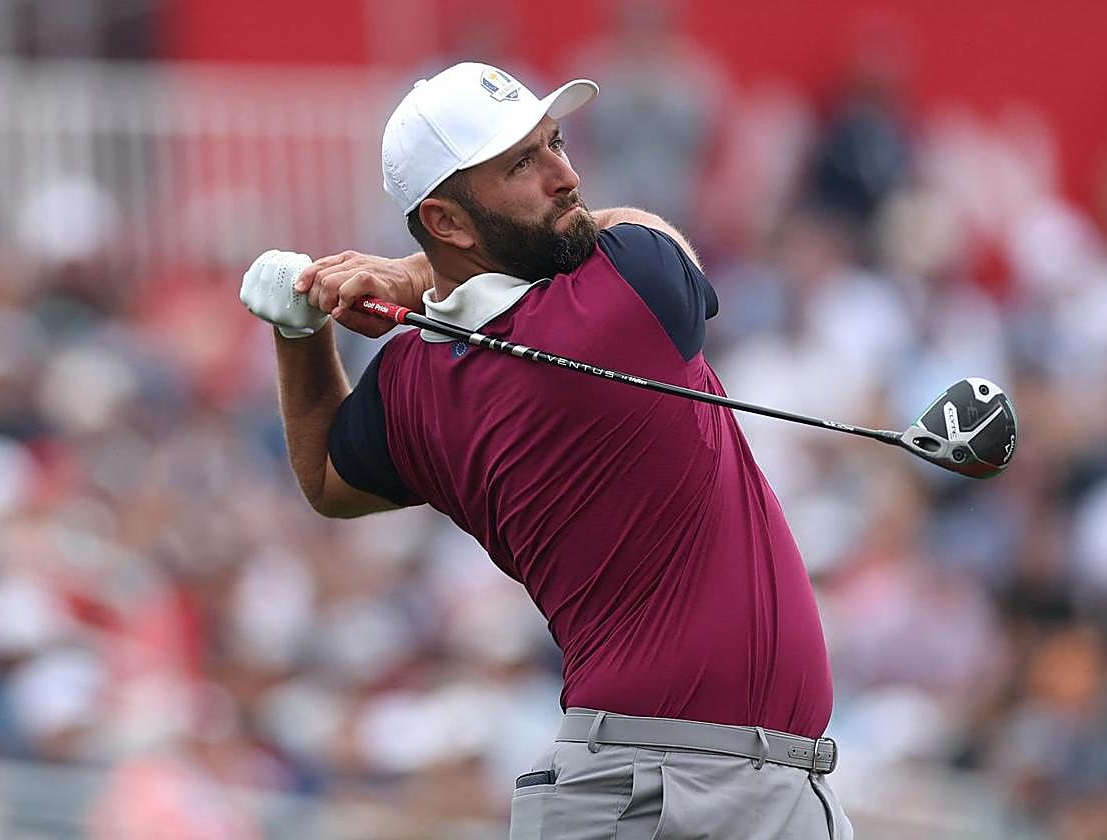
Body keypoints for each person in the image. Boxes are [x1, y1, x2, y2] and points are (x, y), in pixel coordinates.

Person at [239, 61, 853, 840]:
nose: (566, 177)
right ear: (448, 222)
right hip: (667, 792)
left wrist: (299, 331)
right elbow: (649, 234)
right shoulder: (619, 299)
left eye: (556, 143)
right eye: (521, 165)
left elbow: (327, 477)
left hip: (708, 782)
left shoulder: (411, 383)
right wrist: (410, 274)